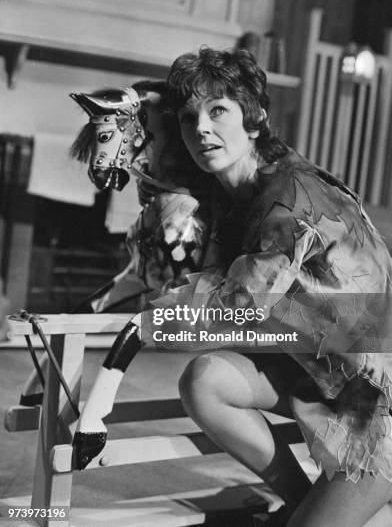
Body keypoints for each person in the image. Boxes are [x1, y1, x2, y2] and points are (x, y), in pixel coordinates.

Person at [74, 47, 392, 526]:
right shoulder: (228, 202)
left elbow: (237, 302)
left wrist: (142, 327)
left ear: (255, 118)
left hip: (379, 401)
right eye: (188, 118)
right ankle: (299, 503)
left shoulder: (289, 193)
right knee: (206, 380)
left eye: (217, 110)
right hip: (327, 374)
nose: (200, 128)